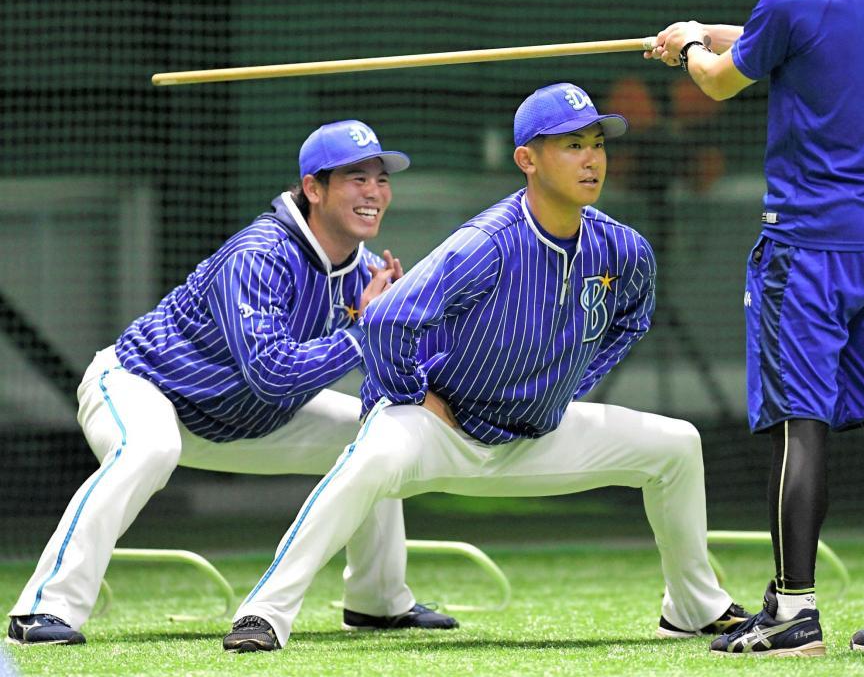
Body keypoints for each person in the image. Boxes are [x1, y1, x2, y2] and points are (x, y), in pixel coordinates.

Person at [221, 82, 748, 653]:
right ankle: (265, 614)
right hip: (442, 430)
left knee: (677, 445)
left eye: (597, 142)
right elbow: (385, 321)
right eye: (572, 144)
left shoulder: (624, 249)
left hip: (537, 433)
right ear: (527, 160)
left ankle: (694, 606)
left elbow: (632, 321)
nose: (592, 157)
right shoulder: (487, 242)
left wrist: (568, 387)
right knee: (367, 461)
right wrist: (413, 396)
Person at [6, 120, 457, 646]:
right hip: (143, 388)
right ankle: (41, 609)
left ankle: (379, 603)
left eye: (381, 179)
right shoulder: (259, 254)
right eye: (357, 178)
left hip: (244, 418)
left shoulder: (369, 272)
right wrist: (366, 333)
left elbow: (393, 364)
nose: (375, 192)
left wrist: (395, 334)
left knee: (379, 434)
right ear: (314, 189)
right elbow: (272, 373)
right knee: (149, 447)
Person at [647, 0, 864, 657]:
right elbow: (783, 35)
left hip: (808, 247)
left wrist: (686, 50)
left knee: (796, 420)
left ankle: (792, 612)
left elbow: (720, 79)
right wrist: (701, 29)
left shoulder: (793, 1)